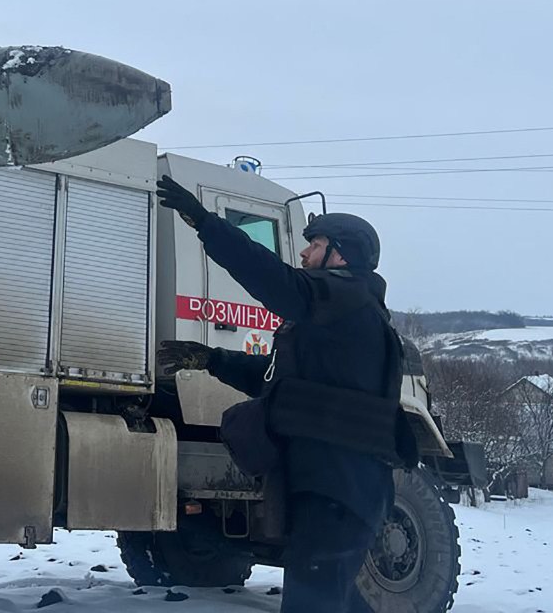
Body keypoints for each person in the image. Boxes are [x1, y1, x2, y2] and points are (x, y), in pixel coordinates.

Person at [156, 175, 405, 613]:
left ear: (340, 253)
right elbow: (278, 380)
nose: (305, 254)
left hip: (339, 490)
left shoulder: (348, 300)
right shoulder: (335, 318)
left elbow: (275, 280)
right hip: (335, 490)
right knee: (336, 601)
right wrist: (210, 358)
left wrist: (206, 223)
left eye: (315, 244)